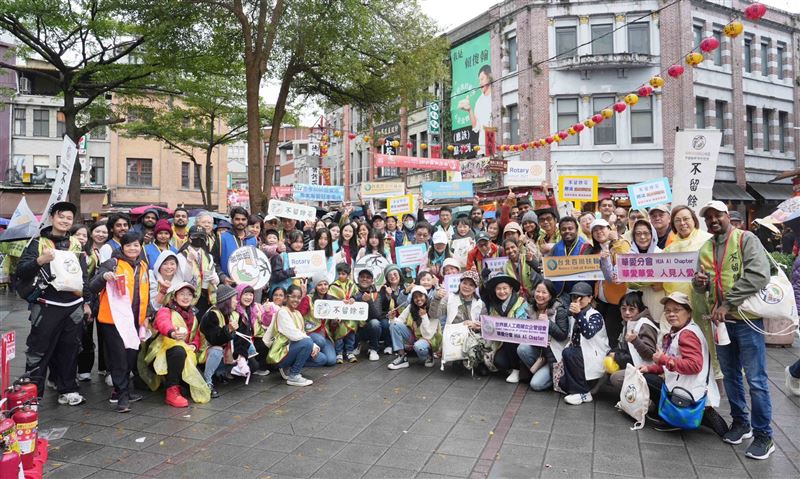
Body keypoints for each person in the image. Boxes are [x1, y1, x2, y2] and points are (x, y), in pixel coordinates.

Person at [693, 200, 775, 459]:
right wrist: (699, 283)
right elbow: (701, 286)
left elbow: (759, 274)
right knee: (730, 376)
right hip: (721, 323)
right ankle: (741, 423)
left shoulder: (746, 239)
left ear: (727, 216)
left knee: (757, 380)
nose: (713, 220)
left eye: (717, 215)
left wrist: (728, 302)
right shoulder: (706, 247)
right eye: (709, 217)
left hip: (747, 320)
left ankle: (764, 435)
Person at [17, 201, 89, 405]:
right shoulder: (38, 243)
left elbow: (83, 275)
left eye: (69, 218)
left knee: (70, 349)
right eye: (61, 216)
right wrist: (40, 260)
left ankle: (67, 389)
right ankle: (32, 393)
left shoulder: (76, 244)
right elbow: (21, 270)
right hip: (46, 304)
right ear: (52, 218)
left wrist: (86, 301)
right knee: (38, 349)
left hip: (73, 305)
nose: (65, 221)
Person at [639, 292, 728, 438]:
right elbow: (672, 363)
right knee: (647, 375)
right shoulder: (681, 330)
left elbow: (694, 365)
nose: (671, 314)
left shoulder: (687, 334)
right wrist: (650, 367)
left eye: (676, 310)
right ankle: (694, 413)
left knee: (648, 381)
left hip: (688, 390)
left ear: (688, 312)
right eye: (667, 311)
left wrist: (663, 359)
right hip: (687, 385)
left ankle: (676, 419)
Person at [89, 232, 149, 412]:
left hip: (135, 320)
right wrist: (103, 277)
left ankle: (124, 390)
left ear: (141, 247)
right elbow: (92, 286)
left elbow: (145, 291)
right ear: (122, 247)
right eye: (129, 245)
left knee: (131, 357)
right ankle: (121, 395)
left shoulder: (143, 265)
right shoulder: (112, 264)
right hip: (114, 320)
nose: (133, 248)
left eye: (136, 245)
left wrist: (147, 314)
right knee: (119, 359)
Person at [663, 205, 717, 374]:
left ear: (694, 220)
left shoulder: (708, 240)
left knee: (708, 340)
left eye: (686, 219)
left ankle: (714, 376)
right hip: (680, 305)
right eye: (677, 220)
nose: (682, 223)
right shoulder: (670, 248)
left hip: (703, 301)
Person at [145, 282, 210, 408]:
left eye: (189, 294)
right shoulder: (165, 310)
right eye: (182, 294)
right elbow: (163, 323)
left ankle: (175, 384)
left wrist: (194, 346)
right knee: (178, 350)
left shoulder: (194, 316)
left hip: (186, 356)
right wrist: (172, 333)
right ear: (174, 296)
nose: (186, 297)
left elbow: (196, 336)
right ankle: (172, 391)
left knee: (195, 384)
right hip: (161, 355)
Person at [558, 282, 610, 405]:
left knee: (569, 353)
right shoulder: (573, 314)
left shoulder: (595, 315)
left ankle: (583, 393)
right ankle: (579, 389)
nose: (578, 300)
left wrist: (578, 314)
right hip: (580, 355)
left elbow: (588, 333)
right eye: (574, 297)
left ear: (590, 298)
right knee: (563, 384)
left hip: (594, 355)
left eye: (582, 297)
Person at [517, 280, 570, 391]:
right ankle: (540, 369)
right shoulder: (530, 308)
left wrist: (548, 323)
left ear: (551, 295)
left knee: (536, 385)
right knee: (522, 348)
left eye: (544, 292)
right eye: (538, 291)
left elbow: (562, 335)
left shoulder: (559, 310)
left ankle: (553, 375)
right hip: (539, 352)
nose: (540, 295)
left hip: (554, 354)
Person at [268, 284, 323, 386]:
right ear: (286, 298)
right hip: (281, 353)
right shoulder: (283, 312)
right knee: (307, 342)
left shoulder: (297, 313)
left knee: (321, 359)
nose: (296, 300)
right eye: (293, 297)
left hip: (293, 348)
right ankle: (293, 375)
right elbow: (293, 334)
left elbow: (301, 332)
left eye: (298, 298)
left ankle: (292, 366)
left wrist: (313, 347)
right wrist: (313, 345)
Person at [588, 218, 630, 348]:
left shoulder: (621, 243)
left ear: (609, 229)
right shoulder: (593, 251)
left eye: (602, 228)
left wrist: (616, 241)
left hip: (616, 300)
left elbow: (625, 263)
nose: (599, 232)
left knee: (613, 334)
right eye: (595, 230)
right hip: (599, 299)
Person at [480, 273, 529, 383]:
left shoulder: (521, 302)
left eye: (504, 288)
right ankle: (510, 366)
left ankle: (517, 369)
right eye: (498, 289)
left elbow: (524, 323)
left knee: (510, 336)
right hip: (501, 342)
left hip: (518, 341)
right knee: (499, 362)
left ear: (511, 289)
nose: (502, 292)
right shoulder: (493, 305)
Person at [606, 292, 658, 395]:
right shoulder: (628, 323)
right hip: (635, 365)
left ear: (640, 310)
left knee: (616, 378)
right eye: (623, 309)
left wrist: (635, 341)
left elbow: (650, 356)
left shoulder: (644, 325)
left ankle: (643, 400)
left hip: (648, 370)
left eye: (632, 309)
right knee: (605, 362)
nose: (627, 313)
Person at [78, 220, 108, 381]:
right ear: (92, 232)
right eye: (98, 231)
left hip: (104, 296)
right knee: (86, 333)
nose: (101, 234)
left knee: (105, 333)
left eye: (104, 232)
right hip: (87, 295)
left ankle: (104, 366)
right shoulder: (85, 250)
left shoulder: (110, 249)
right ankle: (84, 369)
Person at [387, 286, 442, 369]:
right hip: (414, 337)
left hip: (429, 340)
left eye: (421, 296)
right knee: (394, 325)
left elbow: (428, 335)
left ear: (426, 296)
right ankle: (402, 357)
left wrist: (424, 316)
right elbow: (399, 322)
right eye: (415, 297)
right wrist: (392, 318)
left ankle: (429, 356)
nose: (418, 299)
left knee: (418, 346)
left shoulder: (432, 309)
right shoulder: (411, 307)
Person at [625, 219, 665, 331]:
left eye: (646, 233)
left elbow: (673, 279)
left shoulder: (662, 255)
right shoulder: (627, 257)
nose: (642, 237)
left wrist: (663, 284)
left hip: (656, 305)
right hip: (634, 305)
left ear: (652, 235)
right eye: (638, 234)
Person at [199, 284, 239, 397]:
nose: (237, 302)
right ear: (227, 300)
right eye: (235, 299)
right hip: (201, 350)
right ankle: (207, 381)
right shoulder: (212, 315)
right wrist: (229, 329)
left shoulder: (226, 314)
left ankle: (220, 373)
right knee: (217, 350)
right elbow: (214, 339)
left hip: (215, 349)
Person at [549, 217, 591, 303]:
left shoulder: (586, 247)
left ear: (576, 230)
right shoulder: (556, 247)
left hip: (579, 294)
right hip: (559, 293)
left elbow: (589, 275)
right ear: (560, 231)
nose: (567, 231)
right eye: (563, 229)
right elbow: (548, 267)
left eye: (570, 228)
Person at [212, 206, 257, 285]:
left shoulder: (253, 240)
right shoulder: (222, 238)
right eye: (237, 219)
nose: (240, 222)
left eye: (243, 219)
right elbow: (213, 261)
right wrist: (222, 277)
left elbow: (257, 262)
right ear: (232, 220)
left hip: (248, 285)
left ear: (247, 221)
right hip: (227, 284)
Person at [298, 279, 337, 367]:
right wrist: (302, 296)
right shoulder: (308, 298)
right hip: (310, 333)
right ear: (315, 286)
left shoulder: (331, 300)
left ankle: (305, 357)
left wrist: (335, 321)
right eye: (320, 285)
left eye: (325, 284)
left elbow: (332, 327)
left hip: (325, 336)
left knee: (330, 361)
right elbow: (299, 315)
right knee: (320, 341)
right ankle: (298, 356)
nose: (323, 287)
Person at [234, 284, 271, 376]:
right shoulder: (234, 310)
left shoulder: (254, 308)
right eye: (245, 294)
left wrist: (267, 312)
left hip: (250, 340)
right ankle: (231, 369)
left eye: (251, 295)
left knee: (264, 344)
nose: (248, 297)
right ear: (239, 294)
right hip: (238, 344)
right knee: (253, 366)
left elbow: (266, 322)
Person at [354, 268, 386, 361]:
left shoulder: (376, 294)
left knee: (375, 323)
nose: (364, 279)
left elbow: (377, 315)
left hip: (368, 327)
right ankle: (356, 344)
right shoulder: (351, 291)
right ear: (358, 279)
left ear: (372, 281)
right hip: (354, 327)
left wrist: (369, 301)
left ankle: (373, 349)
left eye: (368, 277)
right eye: (362, 277)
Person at [329, 262, 359, 362]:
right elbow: (330, 299)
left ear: (348, 274)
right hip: (339, 316)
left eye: (343, 274)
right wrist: (340, 302)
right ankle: (339, 353)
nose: (341, 276)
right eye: (339, 273)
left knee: (351, 335)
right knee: (339, 335)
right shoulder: (333, 286)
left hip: (350, 316)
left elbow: (358, 295)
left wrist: (354, 298)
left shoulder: (352, 285)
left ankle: (350, 352)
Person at [461, 64, 492, 151]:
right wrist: (469, 110)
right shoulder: (479, 102)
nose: (480, 83)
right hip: (482, 146)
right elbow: (476, 127)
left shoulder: (496, 96)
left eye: (482, 79)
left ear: (489, 78)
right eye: (479, 80)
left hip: (498, 144)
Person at [379, 265, 410, 353]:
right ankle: (389, 344)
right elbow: (382, 307)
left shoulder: (406, 286)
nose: (393, 276)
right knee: (384, 323)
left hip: (404, 314)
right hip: (389, 315)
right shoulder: (384, 288)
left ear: (399, 274)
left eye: (395, 274)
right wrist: (388, 296)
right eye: (390, 275)